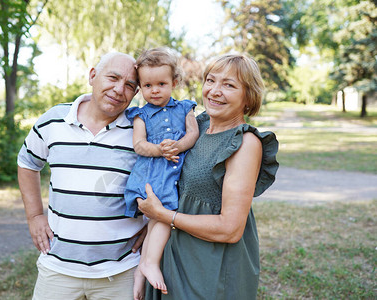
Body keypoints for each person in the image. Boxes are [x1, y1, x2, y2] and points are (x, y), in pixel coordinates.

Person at [137, 53, 279, 299]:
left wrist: (163, 215)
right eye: (211, 80)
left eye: (229, 85)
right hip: (169, 255)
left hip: (210, 266)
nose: (214, 91)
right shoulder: (195, 126)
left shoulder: (245, 143)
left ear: (248, 96)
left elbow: (230, 229)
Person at [17, 52, 148, 300]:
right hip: (58, 266)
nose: (119, 89)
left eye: (130, 85)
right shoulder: (53, 120)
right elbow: (27, 162)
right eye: (113, 77)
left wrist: (153, 225)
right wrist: (34, 216)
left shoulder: (140, 130)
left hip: (121, 269)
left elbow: (166, 180)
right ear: (92, 75)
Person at [122, 47, 199, 299]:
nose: (154, 90)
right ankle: (150, 262)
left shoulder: (185, 108)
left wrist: (178, 146)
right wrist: (159, 149)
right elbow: (139, 145)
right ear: (140, 87)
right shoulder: (140, 114)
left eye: (161, 84)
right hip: (151, 173)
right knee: (163, 215)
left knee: (158, 218)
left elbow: (193, 134)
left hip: (172, 173)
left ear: (174, 82)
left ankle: (141, 268)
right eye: (147, 85)